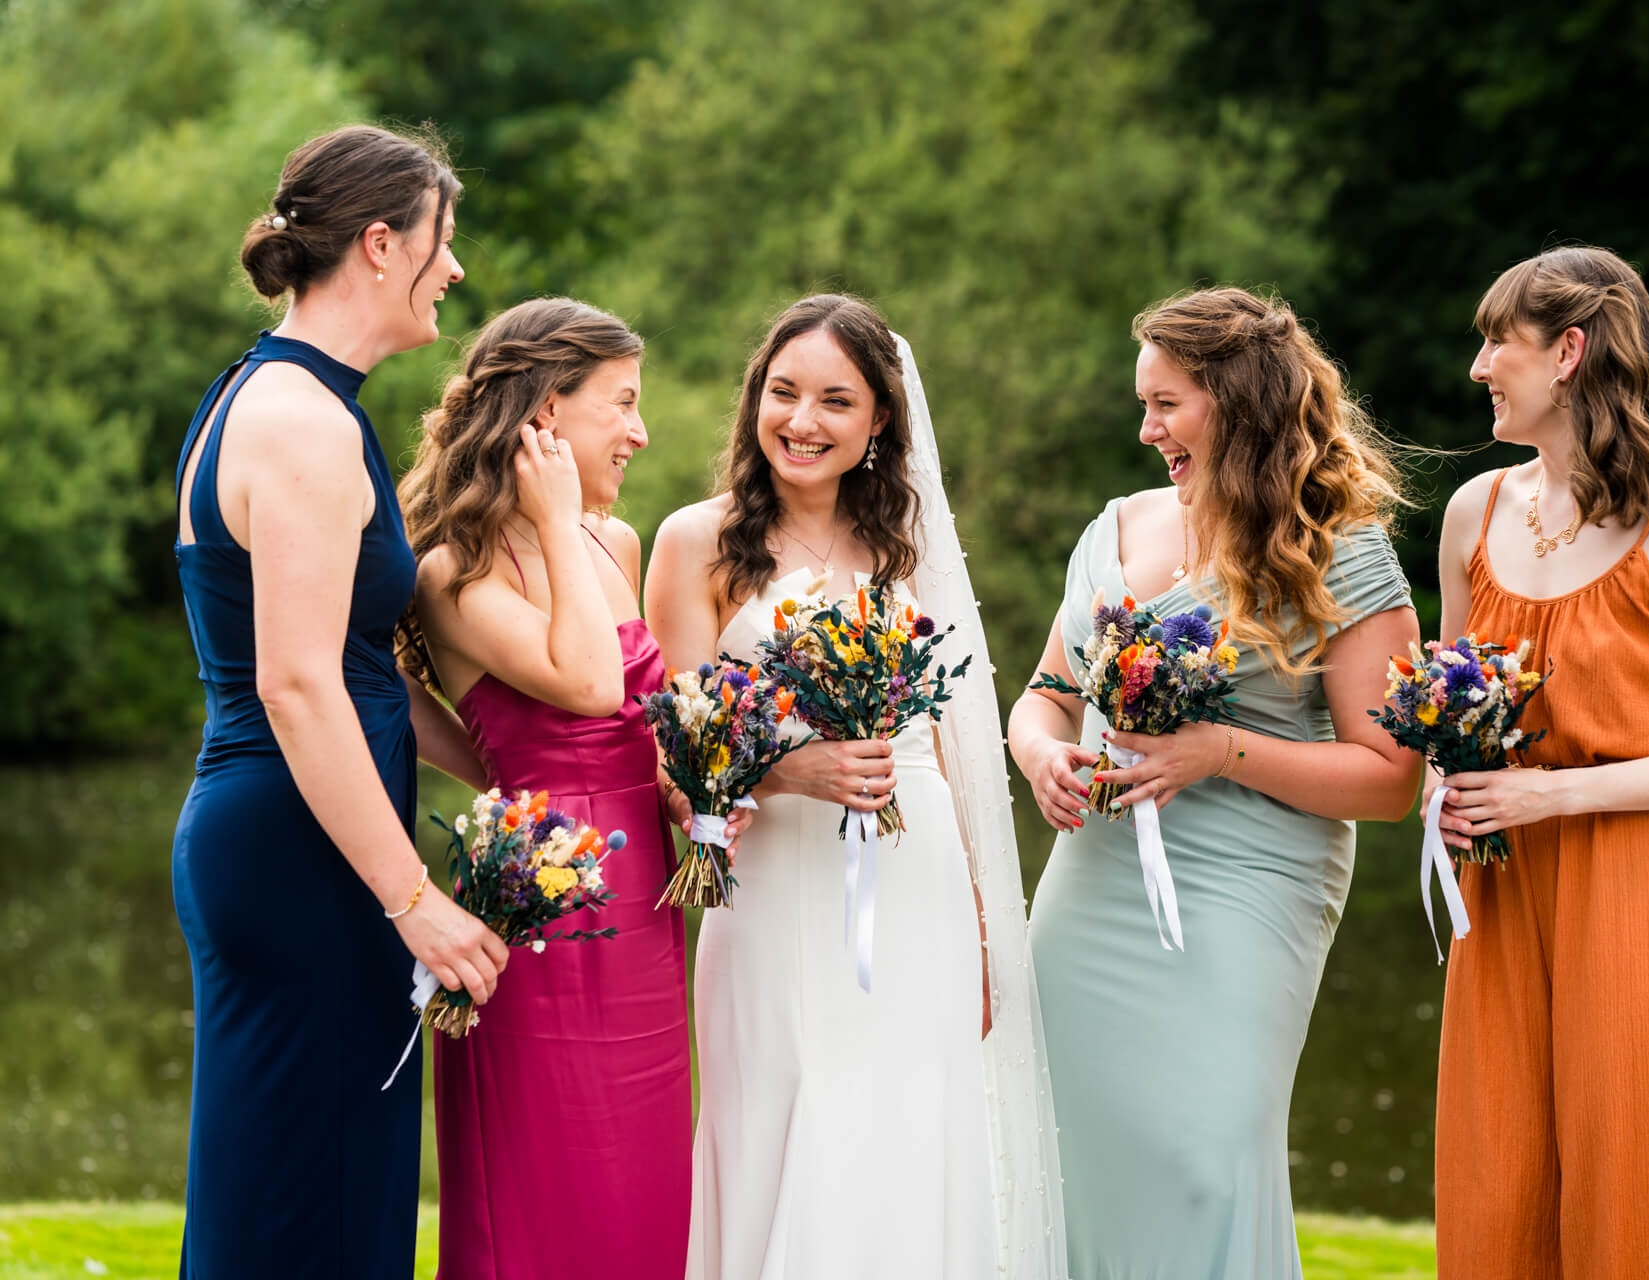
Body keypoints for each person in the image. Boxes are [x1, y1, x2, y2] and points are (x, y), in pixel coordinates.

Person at [645, 294, 1066, 1279]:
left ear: (881, 421)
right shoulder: (695, 541)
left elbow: (959, 752)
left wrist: (977, 922)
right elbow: (673, 756)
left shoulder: (910, 555)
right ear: (753, 400)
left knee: (914, 1123)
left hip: (916, 883)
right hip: (776, 883)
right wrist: (785, 768)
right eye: (783, 392)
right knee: (784, 1112)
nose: (803, 419)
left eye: (837, 399)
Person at [1010, 287, 1422, 1279]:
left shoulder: (1342, 550)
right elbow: (1044, 693)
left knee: (1204, 1156)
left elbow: (1389, 775)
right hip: (1095, 879)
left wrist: (1221, 750)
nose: (1147, 429)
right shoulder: (1117, 529)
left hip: (1251, 880)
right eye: (1144, 404)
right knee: (1063, 1150)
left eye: (1166, 404)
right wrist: (1039, 755)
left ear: (1235, 402)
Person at [170, 124, 504, 1277]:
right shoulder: (297, 420)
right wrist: (411, 896)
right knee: (294, 1208)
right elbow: (299, 684)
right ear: (378, 244)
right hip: (299, 850)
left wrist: (503, 768)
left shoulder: (301, 401)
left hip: (310, 838)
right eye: (441, 240)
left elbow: (364, 670)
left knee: (324, 1195)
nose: (454, 268)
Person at [1427, 245, 1649, 1280]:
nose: (1479, 364)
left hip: (1636, 885)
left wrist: (1555, 791)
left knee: (1636, 1176)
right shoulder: (1473, 516)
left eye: (1500, 340)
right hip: (1501, 896)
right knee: (1499, 1181)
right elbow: (1456, 712)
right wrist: (1448, 793)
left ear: (1571, 350)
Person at [398, 297, 727, 1278]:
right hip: (540, 913)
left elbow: (630, 715)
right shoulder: (450, 569)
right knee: (549, 1189)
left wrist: (693, 781)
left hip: (641, 900)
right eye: (620, 404)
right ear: (545, 412)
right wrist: (547, 516)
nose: (639, 430)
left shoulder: (612, 545)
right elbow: (585, 680)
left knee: (644, 1188)